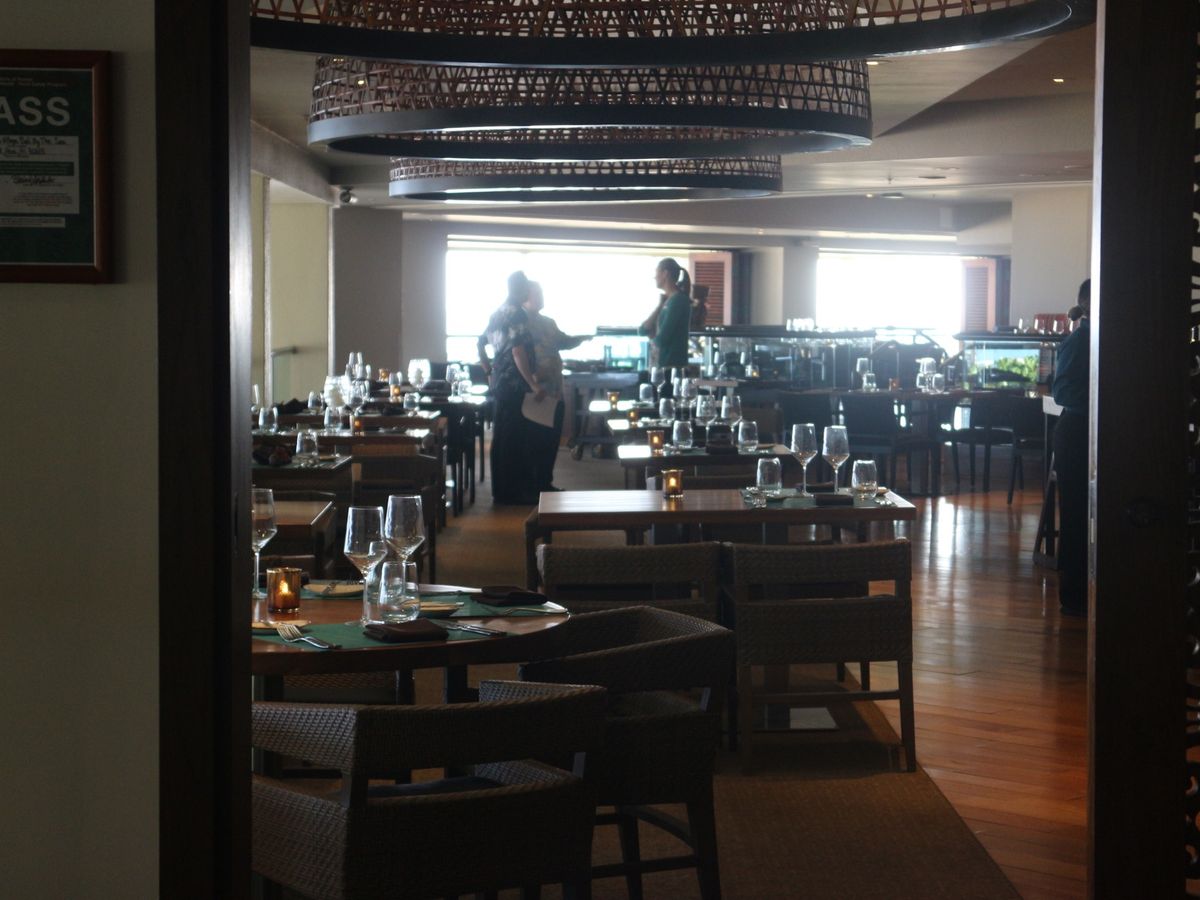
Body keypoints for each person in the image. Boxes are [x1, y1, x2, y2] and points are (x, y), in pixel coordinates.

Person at [479, 271, 544, 505]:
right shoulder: (517, 314)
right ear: (522, 289)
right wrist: (533, 383)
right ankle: (512, 492)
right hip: (514, 384)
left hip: (499, 383)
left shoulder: (497, 313)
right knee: (515, 437)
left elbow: (480, 343)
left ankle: (501, 490)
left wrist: (489, 372)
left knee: (501, 436)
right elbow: (518, 351)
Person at [1050, 278, 1090, 617]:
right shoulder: (1078, 341)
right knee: (1077, 515)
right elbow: (1062, 392)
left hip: (1088, 434)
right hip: (1076, 435)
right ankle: (1074, 597)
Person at [523, 281, 586, 492]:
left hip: (555, 389)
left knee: (552, 438)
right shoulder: (520, 323)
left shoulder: (548, 323)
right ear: (525, 296)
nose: (541, 297)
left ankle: (545, 482)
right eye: (537, 293)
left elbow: (563, 342)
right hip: (535, 390)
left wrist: (583, 337)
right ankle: (533, 485)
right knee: (536, 439)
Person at [639, 257, 692, 368]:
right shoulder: (667, 300)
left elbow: (662, 339)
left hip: (671, 366)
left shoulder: (678, 300)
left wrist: (653, 337)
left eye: (656, 272)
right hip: (663, 365)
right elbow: (642, 331)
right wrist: (659, 306)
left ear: (665, 274)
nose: (654, 277)